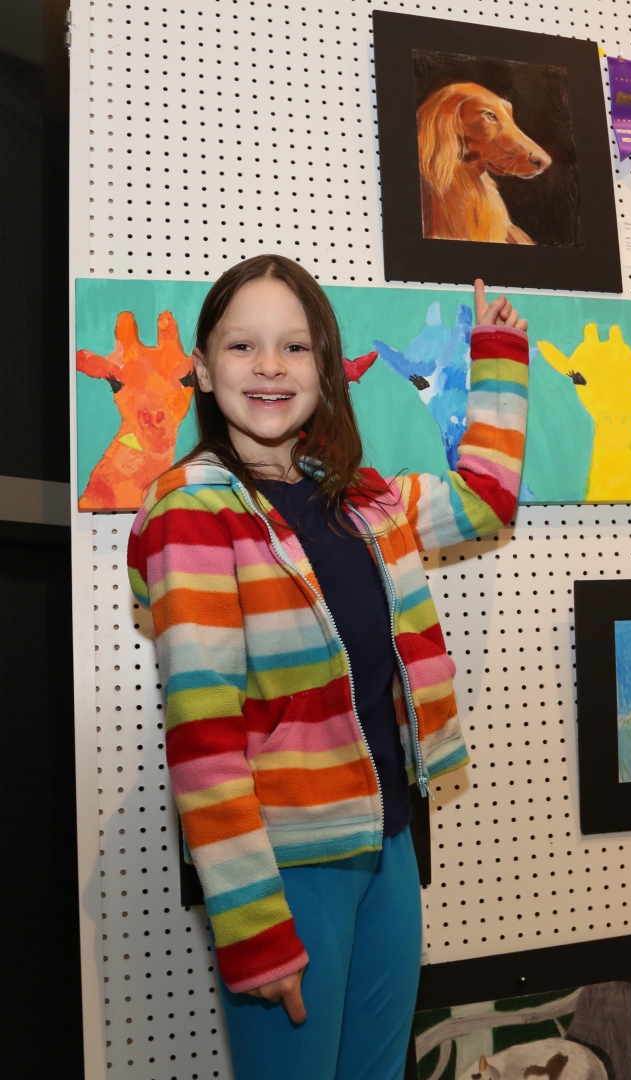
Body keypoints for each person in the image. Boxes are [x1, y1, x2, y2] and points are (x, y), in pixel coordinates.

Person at [127, 254, 529, 1080]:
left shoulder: (358, 496)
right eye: (242, 347)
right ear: (201, 368)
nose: (270, 367)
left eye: (295, 348)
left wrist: (496, 356)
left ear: (326, 369)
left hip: (386, 843)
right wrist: (254, 932)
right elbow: (203, 742)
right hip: (285, 871)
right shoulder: (192, 511)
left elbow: (483, 499)